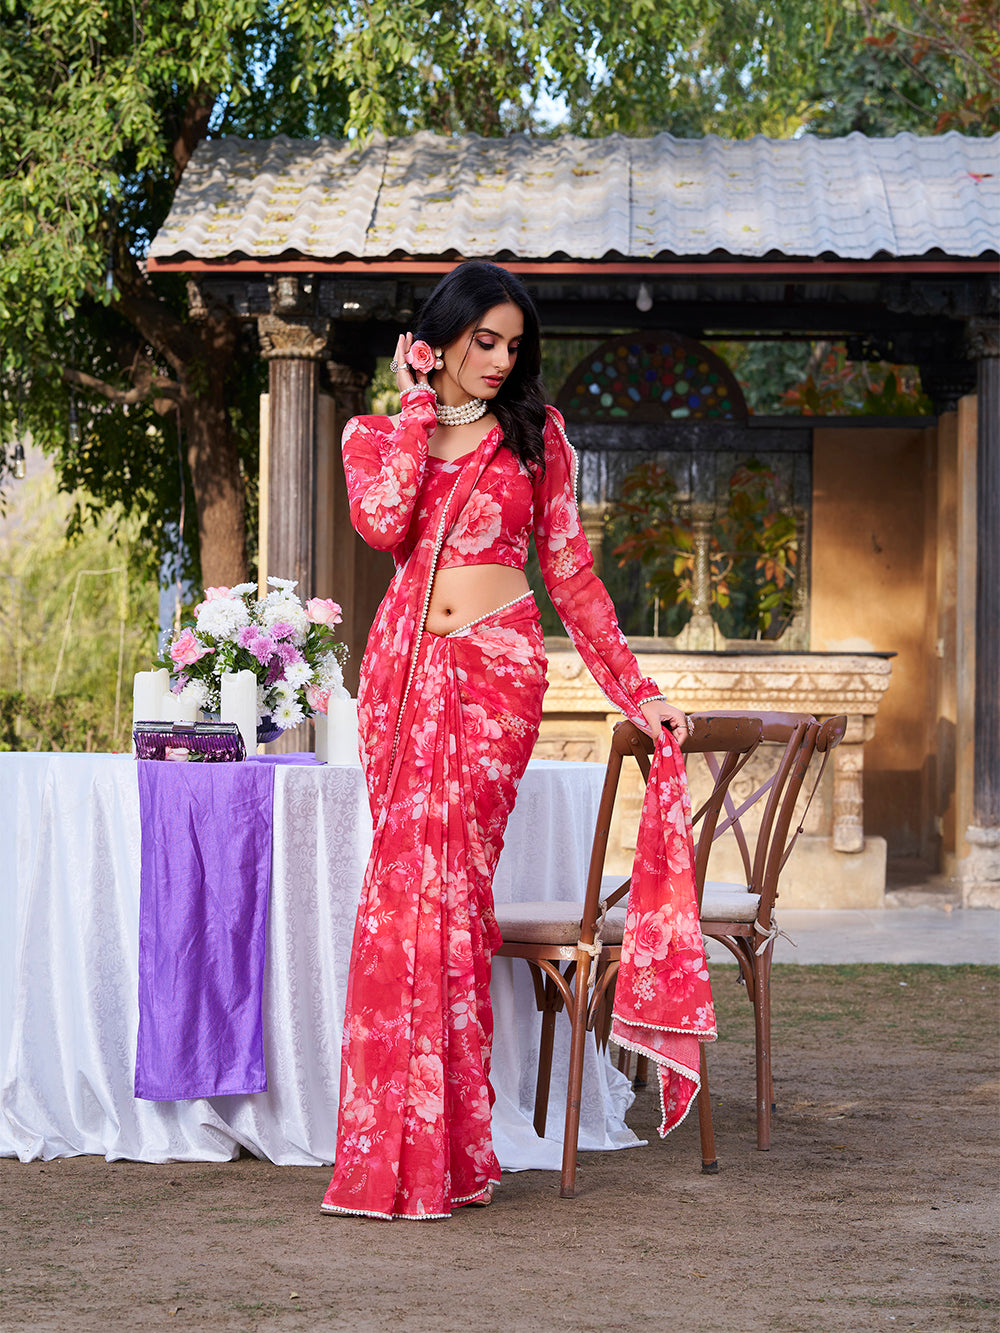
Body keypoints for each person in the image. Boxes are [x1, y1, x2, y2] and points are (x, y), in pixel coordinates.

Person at [321, 260, 689, 1221]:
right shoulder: (374, 435)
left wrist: (638, 691)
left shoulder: (538, 437)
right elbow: (383, 524)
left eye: (512, 345)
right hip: (404, 675)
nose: (498, 360)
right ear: (437, 339)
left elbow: (570, 575)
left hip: (494, 680)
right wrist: (412, 411)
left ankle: (449, 1152)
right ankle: (400, 1158)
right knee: (402, 901)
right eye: (482, 340)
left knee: (452, 897)